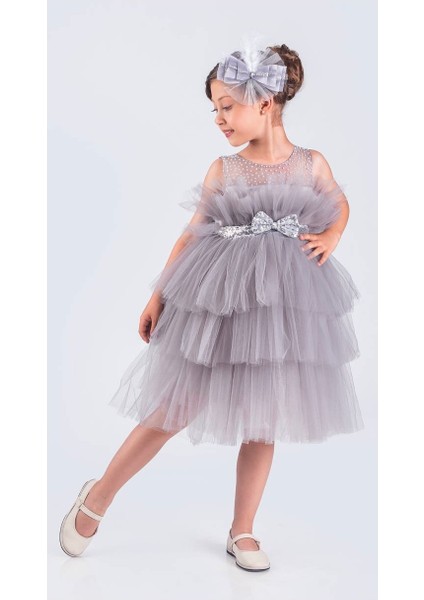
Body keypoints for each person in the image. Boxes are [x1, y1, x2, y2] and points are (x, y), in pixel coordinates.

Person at [59, 41, 364, 571]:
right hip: (219, 302)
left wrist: (333, 236)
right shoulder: (226, 169)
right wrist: (158, 293)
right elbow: (193, 232)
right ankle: (98, 496)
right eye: (215, 109)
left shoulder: (311, 163)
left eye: (227, 106)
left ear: (265, 102)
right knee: (173, 407)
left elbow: (340, 203)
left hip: (280, 308)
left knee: (264, 418)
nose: (219, 119)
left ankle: (242, 529)